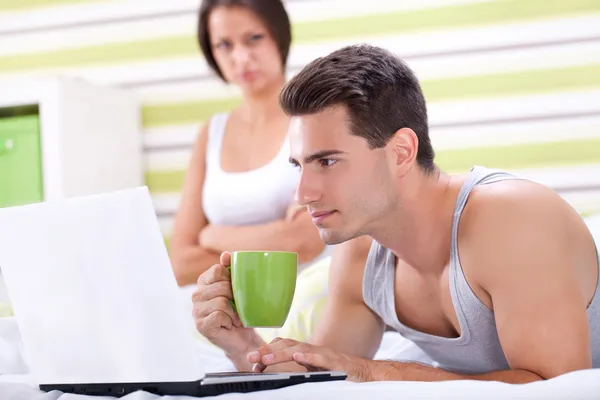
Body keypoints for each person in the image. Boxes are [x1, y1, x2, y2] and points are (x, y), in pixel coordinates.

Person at [192, 44, 600, 382]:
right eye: (299, 166)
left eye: (328, 162)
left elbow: (558, 389)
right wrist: (244, 347)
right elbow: (322, 381)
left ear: (401, 152)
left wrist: (371, 371)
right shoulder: (360, 257)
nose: (303, 193)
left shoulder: (512, 220)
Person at [169, 0, 325, 287]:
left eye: (254, 38)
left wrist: (214, 236)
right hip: (223, 316)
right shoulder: (211, 133)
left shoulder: (314, 120)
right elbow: (180, 263)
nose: (240, 58)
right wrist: (273, 241)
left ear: (279, 36)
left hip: (302, 310)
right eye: (224, 45)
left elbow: (303, 242)